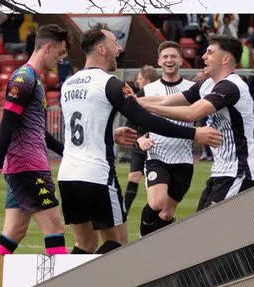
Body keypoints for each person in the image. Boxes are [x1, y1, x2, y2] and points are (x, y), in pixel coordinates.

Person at [57, 24, 222, 254]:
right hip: (97, 176)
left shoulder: (68, 84)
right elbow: (149, 120)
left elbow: (81, 128)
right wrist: (194, 133)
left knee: (84, 244)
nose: (119, 49)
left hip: (67, 175)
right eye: (115, 43)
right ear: (102, 49)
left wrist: (112, 135)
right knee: (118, 245)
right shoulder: (110, 83)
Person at [140, 36, 254, 211]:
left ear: (225, 59)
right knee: (202, 229)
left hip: (239, 173)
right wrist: (135, 100)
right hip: (221, 172)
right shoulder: (207, 84)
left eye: (210, 52)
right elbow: (168, 100)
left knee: (210, 233)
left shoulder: (231, 87)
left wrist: (147, 107)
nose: (203, 56)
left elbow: (191, 113)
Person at [0, 24, 70, 255]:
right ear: (48, 48)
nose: (61, 58)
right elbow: (7, 122)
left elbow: (38, 131)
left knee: (14, 231)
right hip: (28, 168)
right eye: (60, 53)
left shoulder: (34, 79)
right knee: (55, 226)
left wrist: (68, 152)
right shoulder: (24, 78)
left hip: (24, 167)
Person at [132, 42, 197, 236]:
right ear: (159, 61)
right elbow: (131, 122)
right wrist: (140, 139)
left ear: (180, 60)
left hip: (184, 160)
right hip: (157, 156)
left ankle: (158, 246)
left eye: (173, 56)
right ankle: (143, 239)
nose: (169, 60)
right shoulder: (148, 90)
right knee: (157, 203)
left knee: (167, 214)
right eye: (165, 57)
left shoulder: (193, 89)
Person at [123, 65, 158, 211]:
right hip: (140, 142)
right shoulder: (138, 98)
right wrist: (138, 138)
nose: (137, 81)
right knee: (134, 176)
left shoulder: (160, 97)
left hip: (157, 144)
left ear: (148, 80)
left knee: (155, 184)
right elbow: (129, 123)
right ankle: (124, 211)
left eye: (140, 78)